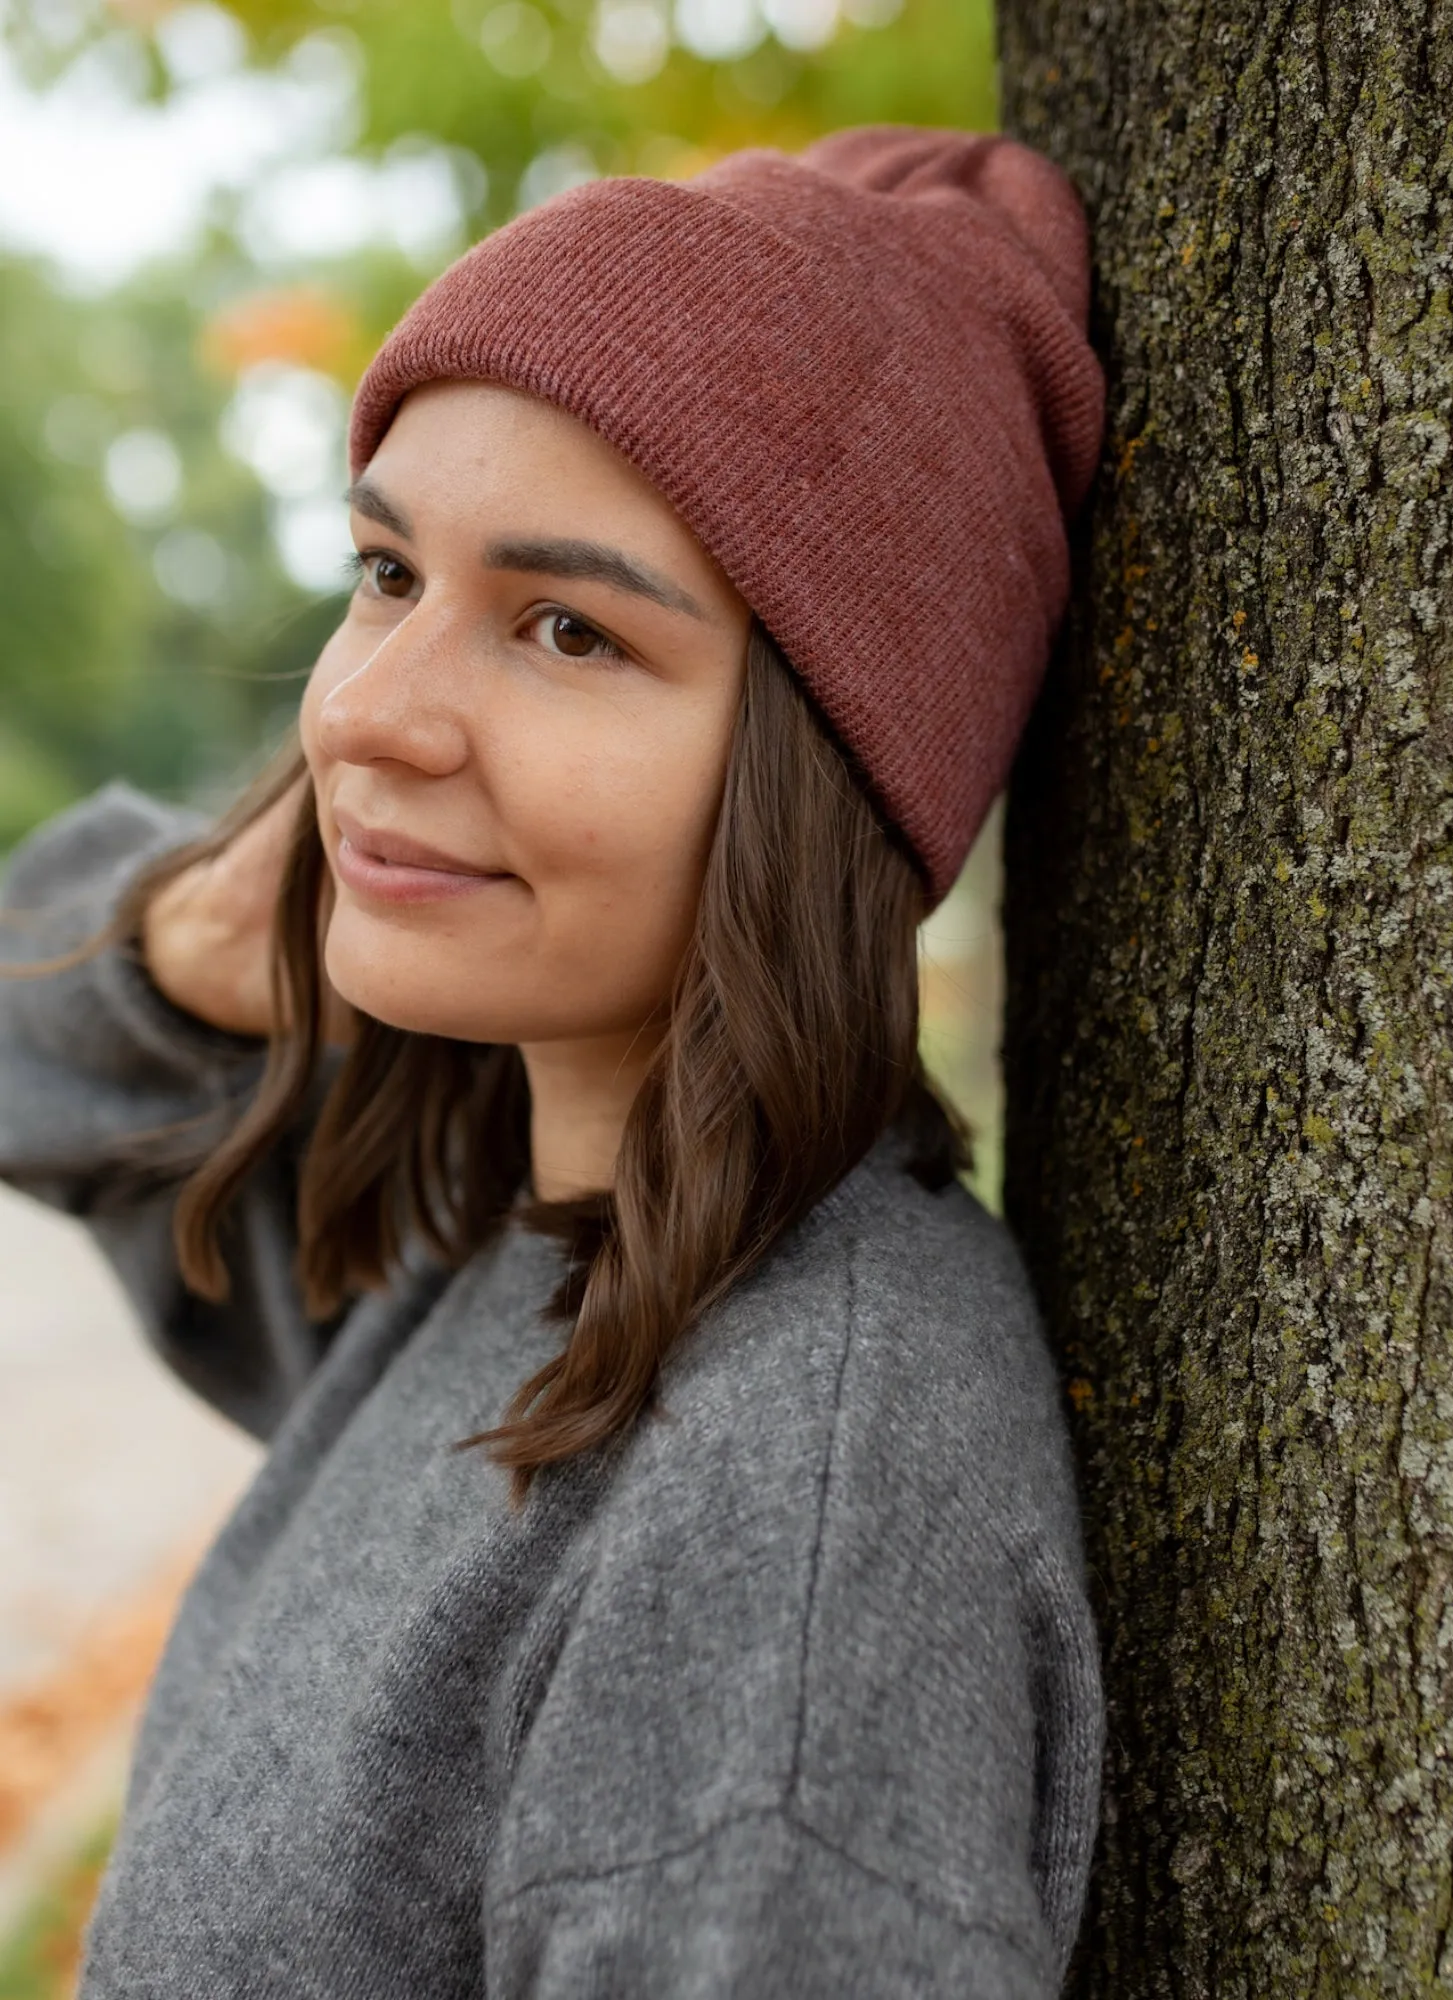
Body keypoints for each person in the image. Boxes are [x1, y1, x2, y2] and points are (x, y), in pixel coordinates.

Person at [0, 124, 1106, 1996]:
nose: (364, 714)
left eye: (569, 627)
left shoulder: (798, 1520)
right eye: (382, 573)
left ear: (823, 775)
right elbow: (36, 1057)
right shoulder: (492, 1218)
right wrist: (220, 923)